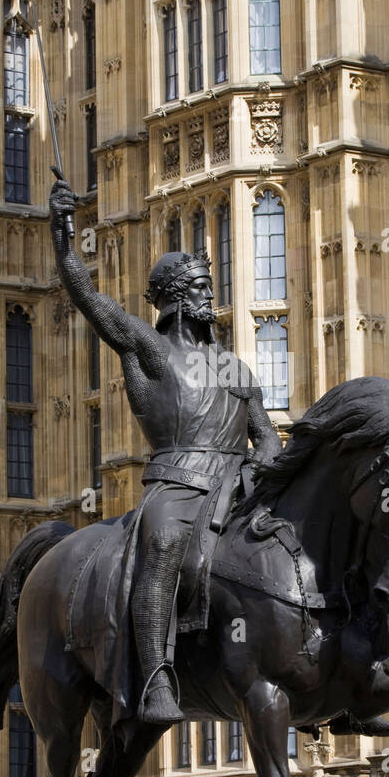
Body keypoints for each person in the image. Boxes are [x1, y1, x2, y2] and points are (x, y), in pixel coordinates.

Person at [49, 179, 283, 723]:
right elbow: (90, 300)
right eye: (199, 288)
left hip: (237, 487)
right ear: (175, 300)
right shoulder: (150, 349)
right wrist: (63, 241)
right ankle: (155, 679)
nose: (210, 297)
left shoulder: (235, 368)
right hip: (177, 485)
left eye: (209, 286)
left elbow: (265, 435)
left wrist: (268, 462)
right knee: (161, 549)